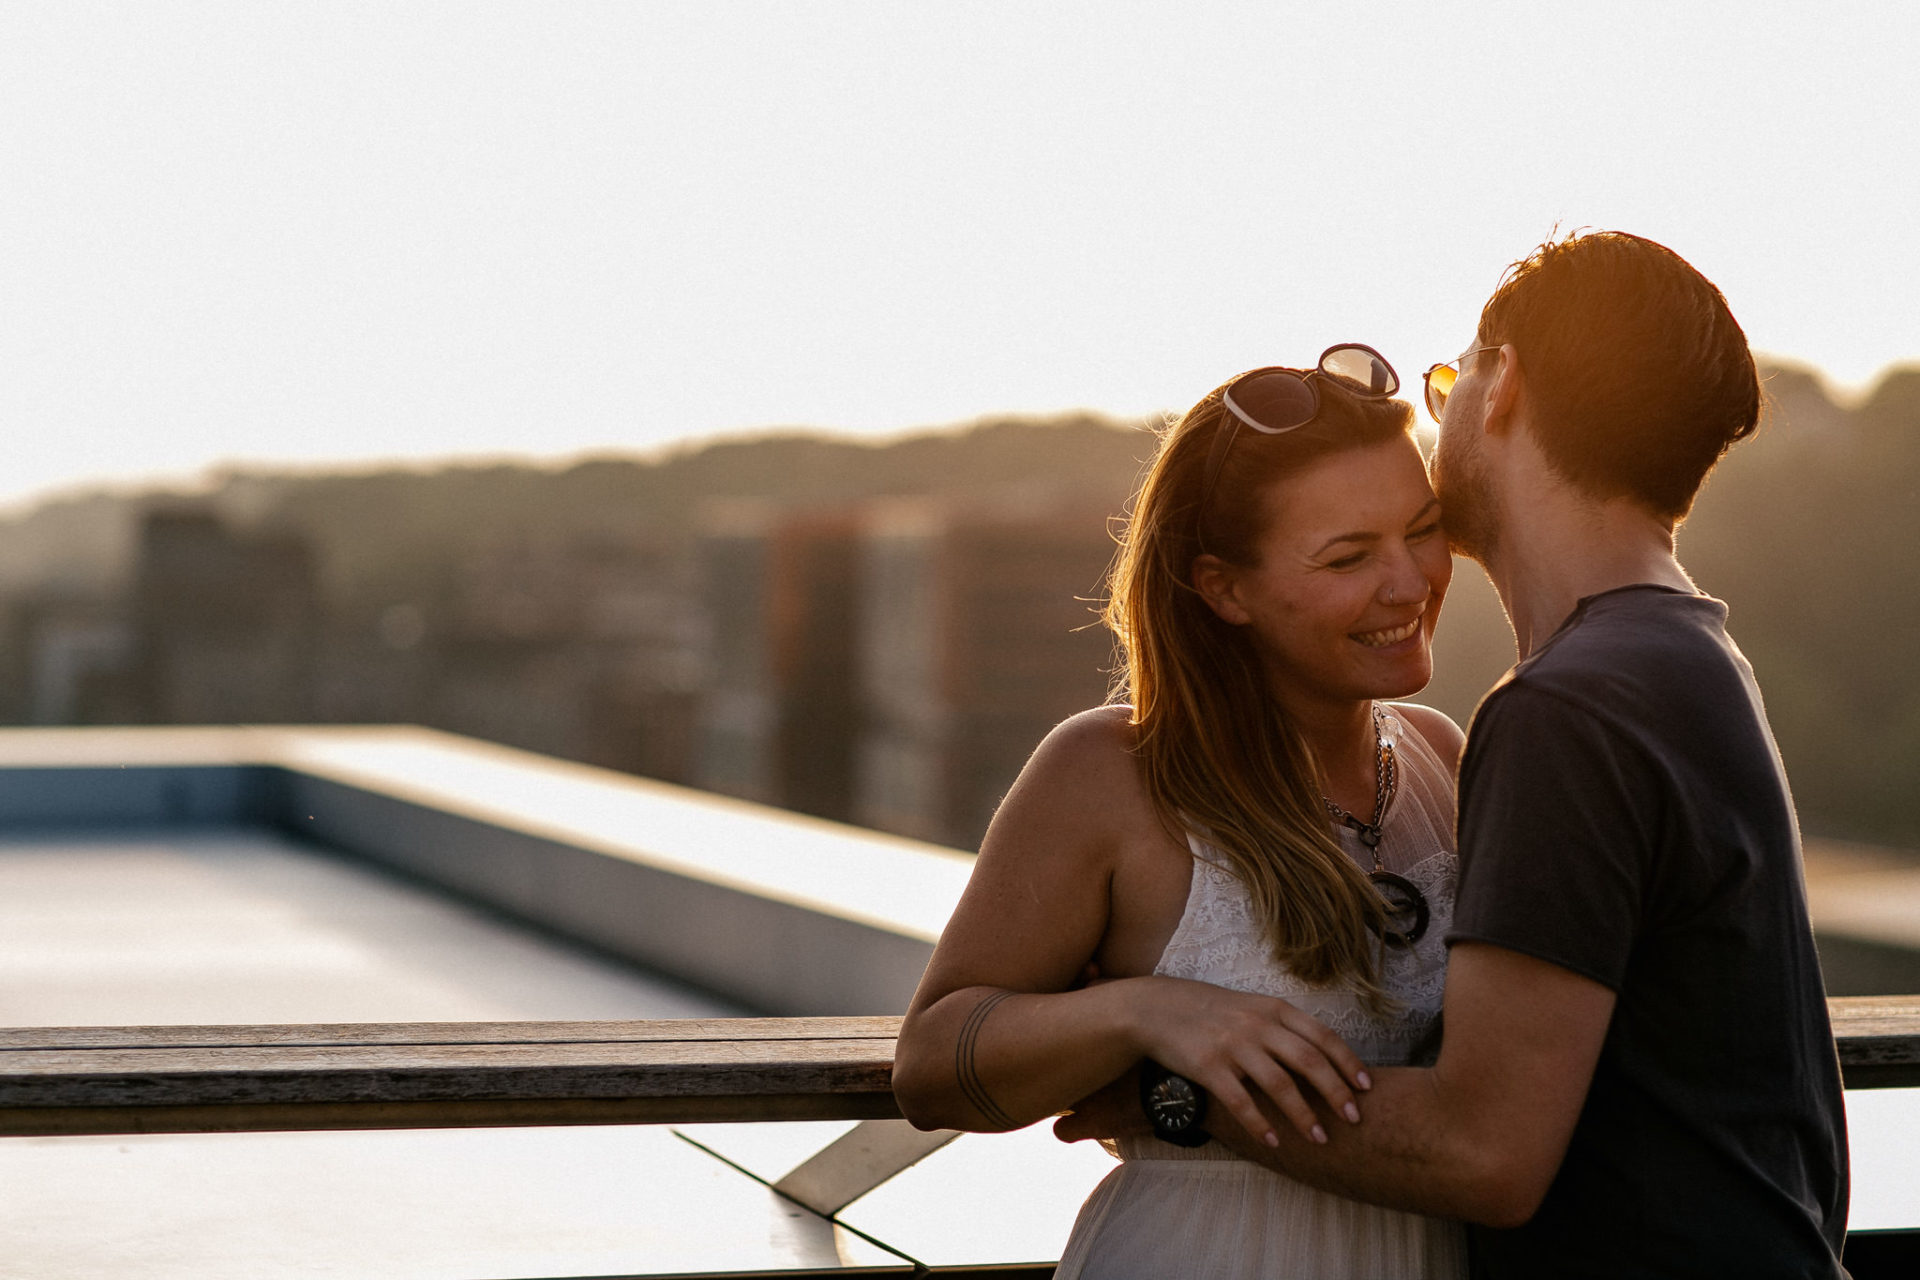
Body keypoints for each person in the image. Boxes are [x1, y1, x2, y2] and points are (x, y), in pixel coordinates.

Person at [1057, 231, 1851, 1278]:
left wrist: (1175, 1095)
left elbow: (1484, 1149)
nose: (1445, 416)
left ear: (1506, 381)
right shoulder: (1691, 653)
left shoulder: (1566, 707)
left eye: (1455, 377)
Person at [892, 343, 1471, 1277]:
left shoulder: (1445, 757)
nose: (1409, 583)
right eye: (1349, 556)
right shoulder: (1109, 772)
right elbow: (928, 1067)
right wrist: (1149, 1012)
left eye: (1424, 529)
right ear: (1223, 588)